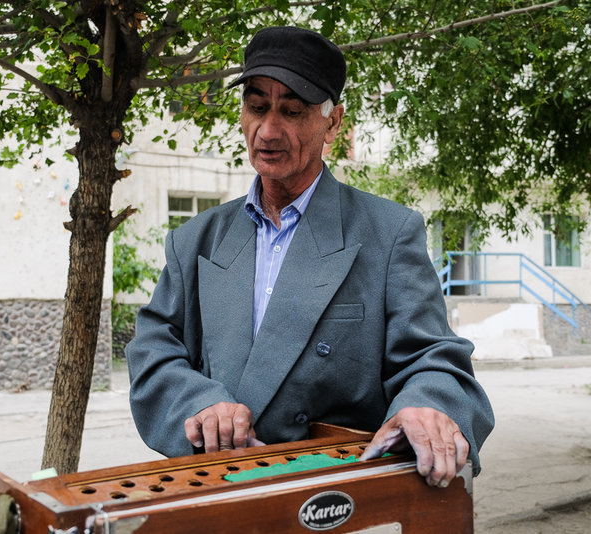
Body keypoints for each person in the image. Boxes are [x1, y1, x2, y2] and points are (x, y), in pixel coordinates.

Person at [126, 26, 494, 488]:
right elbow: (154, 350)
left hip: (336, 492)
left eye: (292, 111)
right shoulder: (195, 240)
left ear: (333, 123)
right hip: (219, 484)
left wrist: (426, 405)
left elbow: (432, 358)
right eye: (256, 107)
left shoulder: (389, 233)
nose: (268, 131)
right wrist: (198, 403)